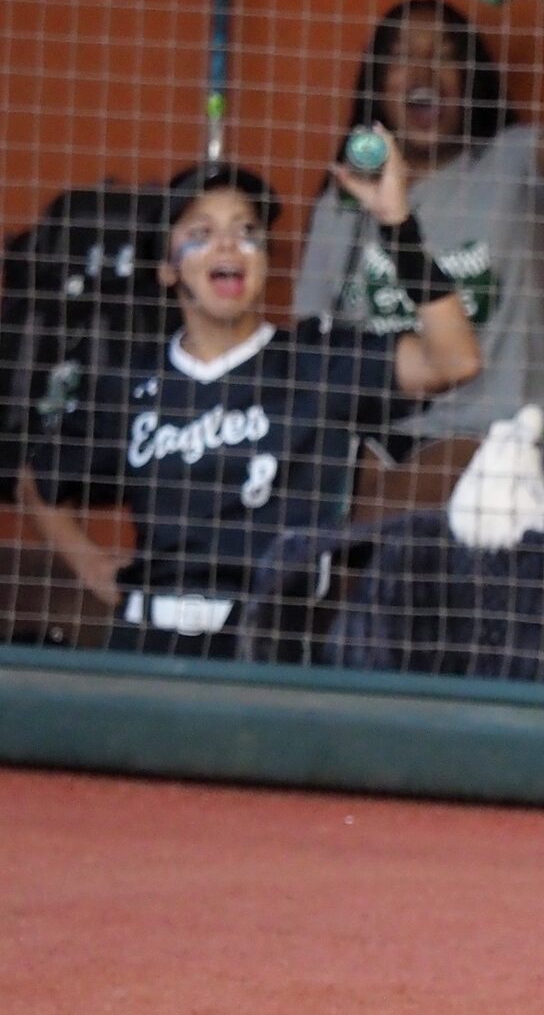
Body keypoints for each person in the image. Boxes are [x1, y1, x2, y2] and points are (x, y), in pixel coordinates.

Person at [16, 145, 480, 658]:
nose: (228, 247)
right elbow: (39, 481)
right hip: (146, 644)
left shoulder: (316, 362)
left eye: (246, 232)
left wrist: (397, 222)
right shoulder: (132, 382)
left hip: (270, 647)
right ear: (168, 269)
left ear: (263, 260)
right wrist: (86, 562)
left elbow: (454, 361)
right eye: (201, 234)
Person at [292, 0, 544, 512]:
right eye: (403, 55)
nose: (424, 69)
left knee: (390, 519)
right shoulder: (344, 202)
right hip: (376, 441)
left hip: (499, 438)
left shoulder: (513, 163)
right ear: (376, 81)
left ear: (472, 76)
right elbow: (307, 349)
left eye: (445, 54)